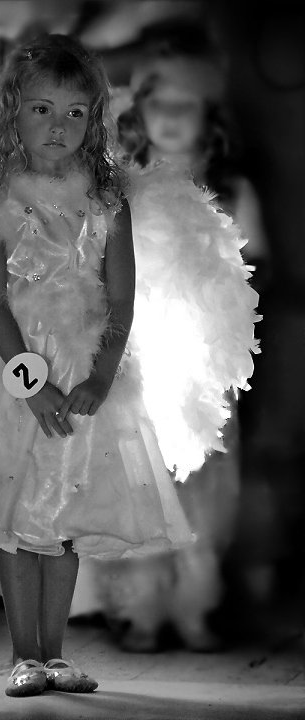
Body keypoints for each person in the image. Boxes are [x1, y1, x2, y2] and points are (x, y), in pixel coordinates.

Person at [0, 33, 258, 697]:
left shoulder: (109, 200)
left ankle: (55, 654)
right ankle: (24, 654)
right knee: (18, 522)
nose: (58, 126)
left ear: (95, 119)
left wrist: (100, 376)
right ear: (13, 113)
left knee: (65, 518)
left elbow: (121, 301)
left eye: (75, 112)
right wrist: (30, 382)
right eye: (42, 109)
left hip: (85, 373)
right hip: (14, 373)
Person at [71, 32, 268, 651]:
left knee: (205, 479)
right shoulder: (121, 185)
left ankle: (194, 603)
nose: (172, 119)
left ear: (210, 116)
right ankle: (140, 607)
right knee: (138, 475)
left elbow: (254, 268)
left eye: (187, 107)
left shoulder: (231, 190)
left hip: (204, 358)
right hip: (136, 350)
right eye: (160, 105)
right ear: (141, 112)